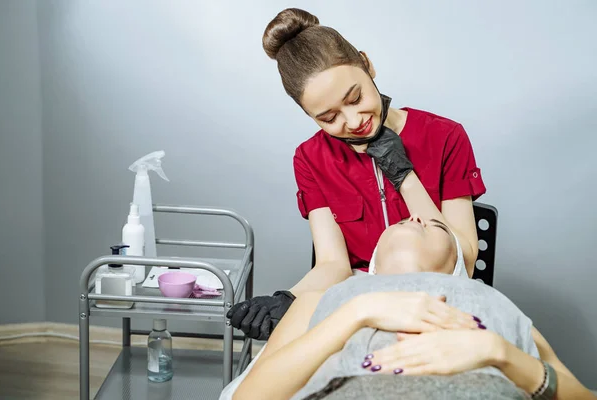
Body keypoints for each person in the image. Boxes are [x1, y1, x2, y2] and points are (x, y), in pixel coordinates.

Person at [227, 7, 487, 340]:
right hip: (358, 303)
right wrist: (287, 299)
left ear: (367, 64)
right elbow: (333, 264)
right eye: (328, 118)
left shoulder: (445, 136)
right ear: (309, 115)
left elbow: (464, 255)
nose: (352, 121)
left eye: (356, 97)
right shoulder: (310, 158)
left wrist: (403, 175)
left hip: (440, 297)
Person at [227, 216, 597, 400]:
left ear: (457, 266)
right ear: (373, 262)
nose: (416, 218)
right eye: (402, 220)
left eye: (437, 224)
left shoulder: (496, 302)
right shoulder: (324, 300)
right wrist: (357, 312)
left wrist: (499, 352)